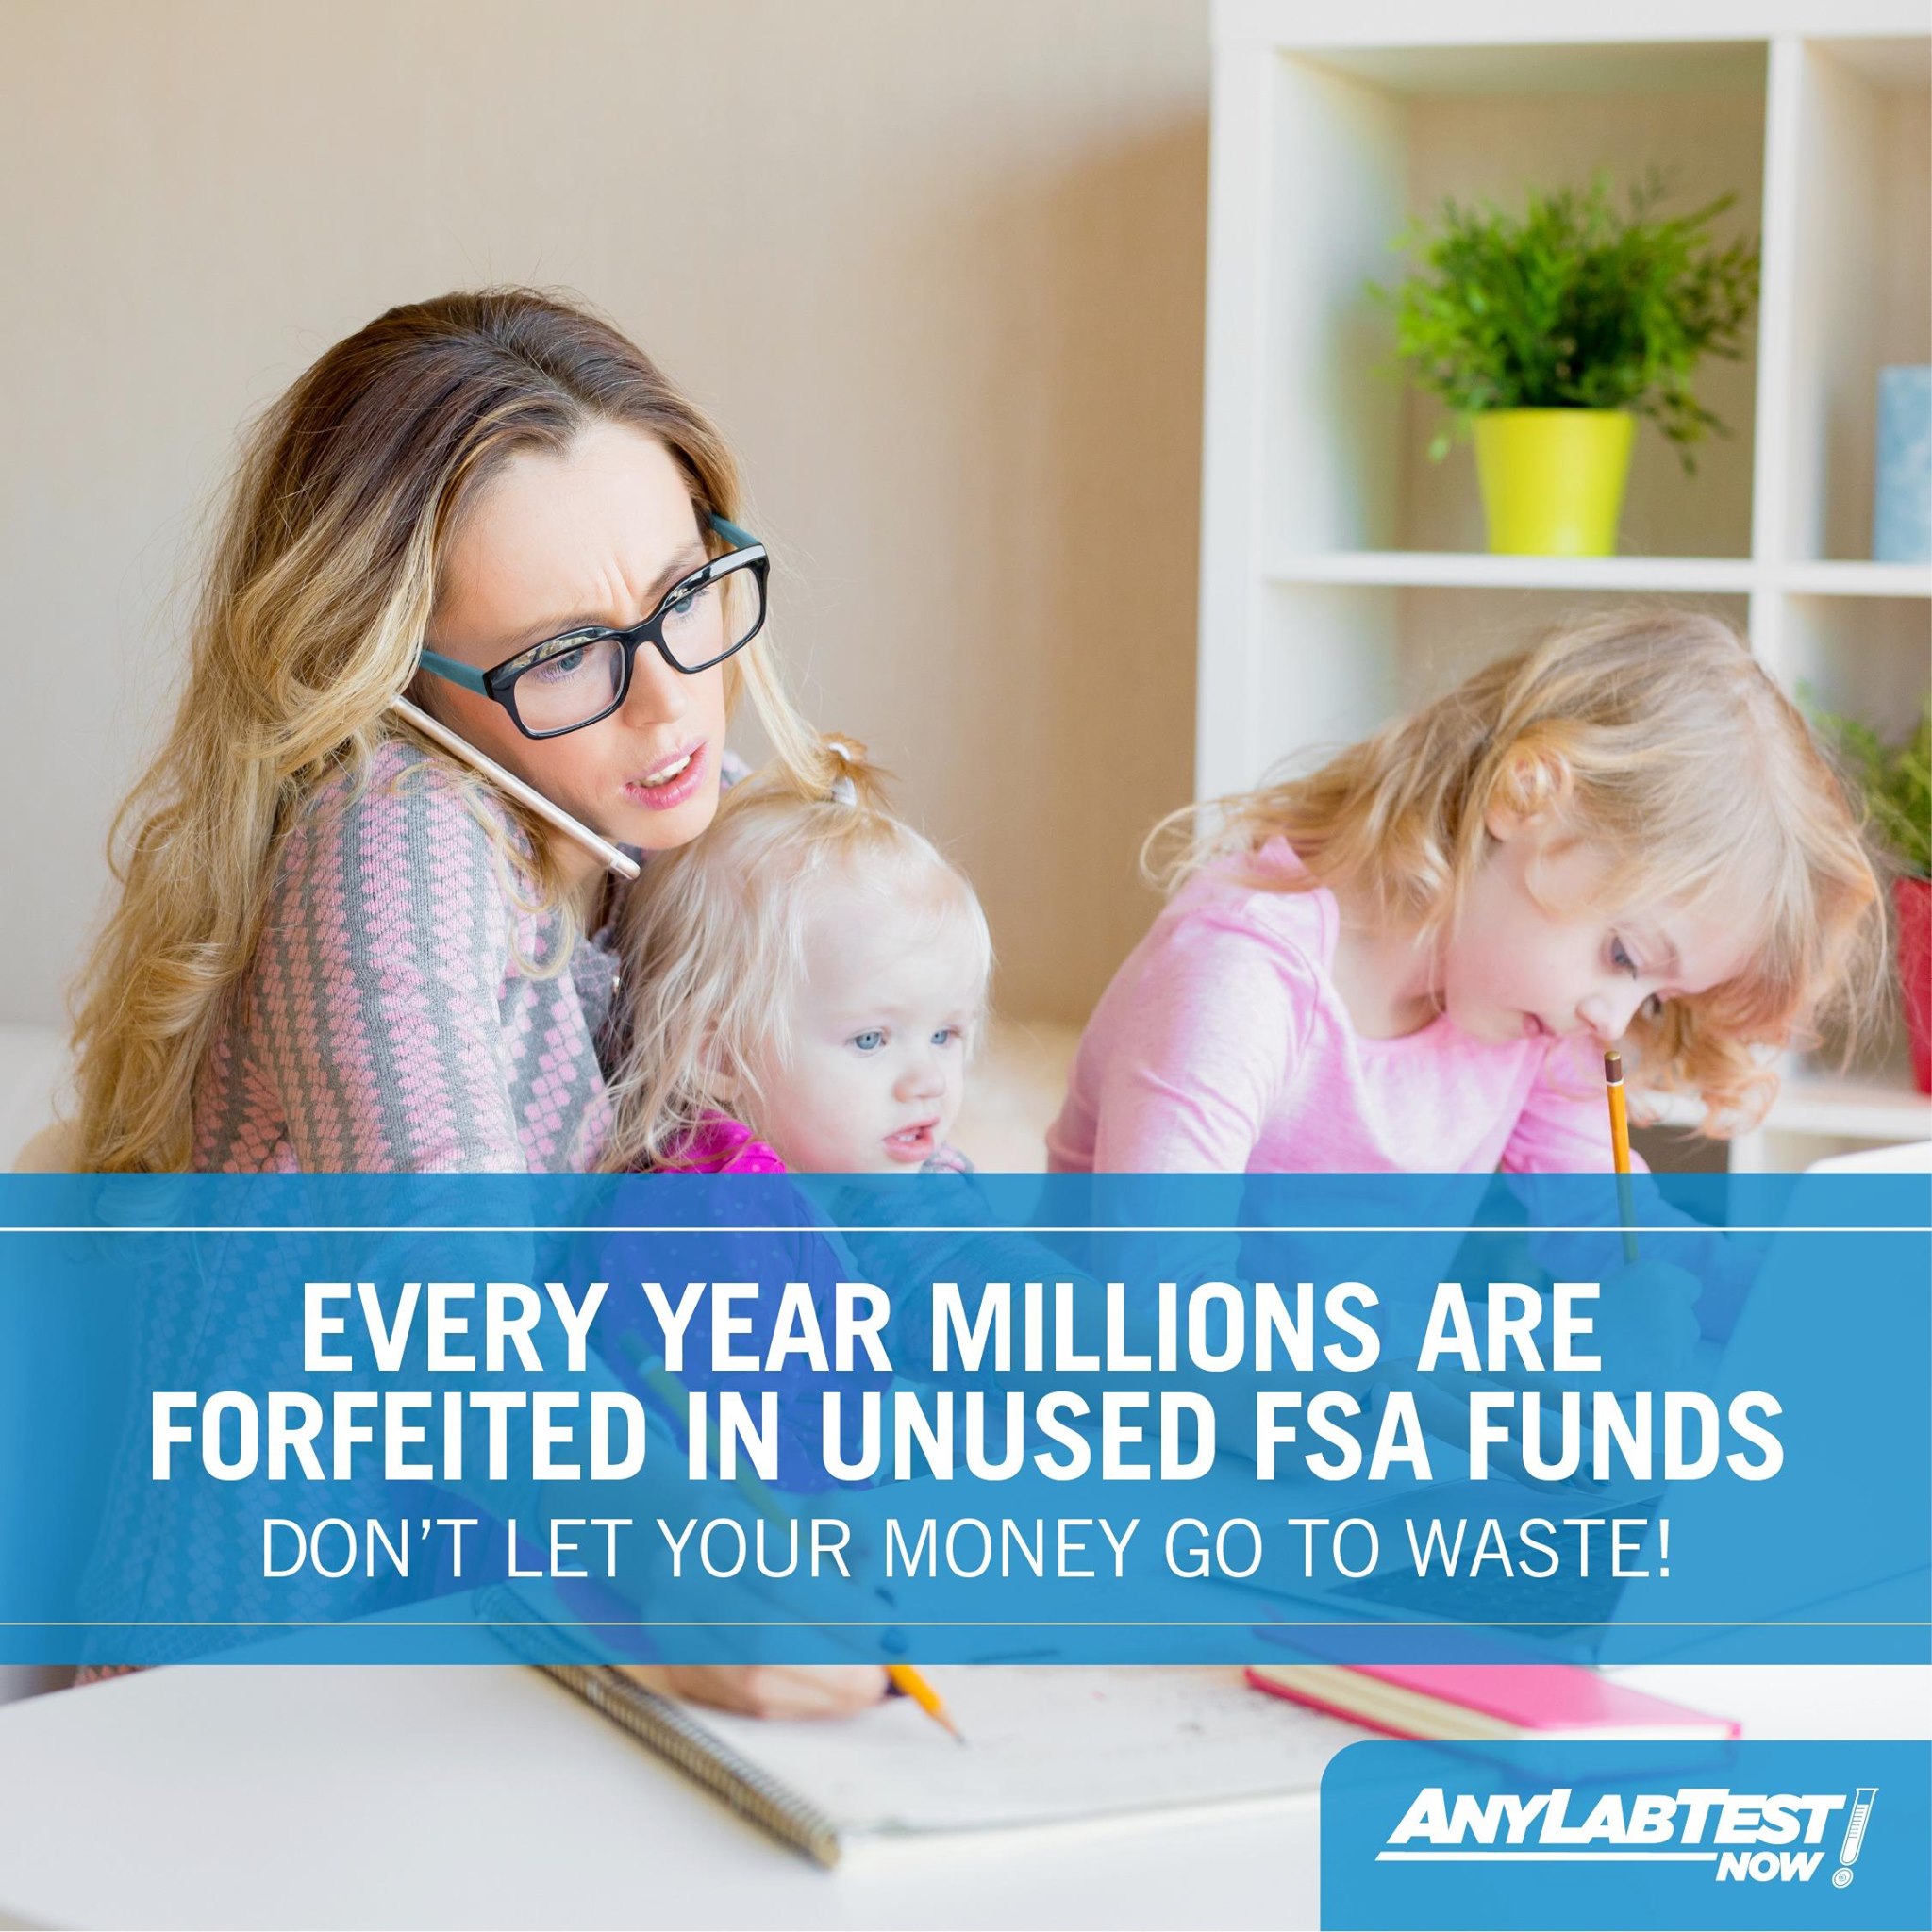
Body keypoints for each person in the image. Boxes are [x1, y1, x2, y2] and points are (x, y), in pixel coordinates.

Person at [66, 287, 878, 1717]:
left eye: (685, 596)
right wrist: (679, 1555)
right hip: (254, 1692)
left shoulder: (644, 811)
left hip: (495, 1625)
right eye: (564, 654)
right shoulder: (392, 830)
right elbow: (444, 1295)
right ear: (393, 677)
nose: (670, 703)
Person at [1049, 611, 1883, 1176]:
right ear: (1525, 798)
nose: (1614, 1021)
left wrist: (1780, 1285)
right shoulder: (1243, 977)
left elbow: (1608, 1231)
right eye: (1624, 955)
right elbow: (1162, 1312)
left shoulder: (1526, 1010)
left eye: (1657, 999)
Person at [602, 739, 991, 1175]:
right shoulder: (721, 1203)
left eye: (944, 1036)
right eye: (869, 1040)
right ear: (720, 1056)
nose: (930, 1082)